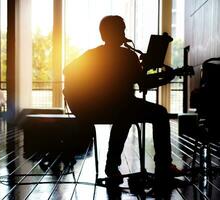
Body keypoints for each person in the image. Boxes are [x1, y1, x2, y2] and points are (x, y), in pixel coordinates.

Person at [63, 15, 182, 193]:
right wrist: (168, 76)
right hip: (119, 107)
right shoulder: (127, 55)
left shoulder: (93, 54)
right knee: (159, 113)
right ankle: (163, 166)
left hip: (96, 109)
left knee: (125, 112)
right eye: (122, 29)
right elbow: (144, 83)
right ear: (118, 32)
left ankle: (112, 167)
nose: (124, 33)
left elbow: (68, 70)